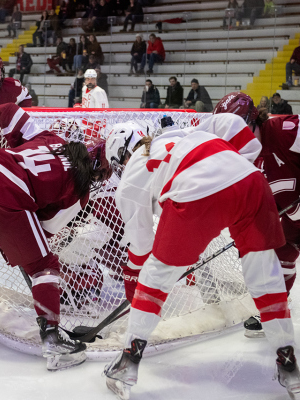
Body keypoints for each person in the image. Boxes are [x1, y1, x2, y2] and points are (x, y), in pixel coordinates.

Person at [103, 98, 300, 400]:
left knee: (155, 278)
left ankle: (127, 362)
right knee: (267, 280)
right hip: (250, 184)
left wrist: (144, 274)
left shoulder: (132, 176)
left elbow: (142, 249)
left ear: (121, 158)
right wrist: (228, 197)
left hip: (194, 192)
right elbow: (236, 129)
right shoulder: (186, 131)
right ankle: (289, 367)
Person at [0, 101, 112, 371]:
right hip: (4, 194)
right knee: (44, 266)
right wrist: (16, 244)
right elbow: (45, 228)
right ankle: (53, 340)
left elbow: (10, 112)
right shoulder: (81, 191)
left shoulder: (51, 138)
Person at [212, 92, 300, 341]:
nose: (235, 143)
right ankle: (275, 312)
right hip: (292, 218)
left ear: (253, 121)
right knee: (279, 258)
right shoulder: (237, 160)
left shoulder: (286, 130)